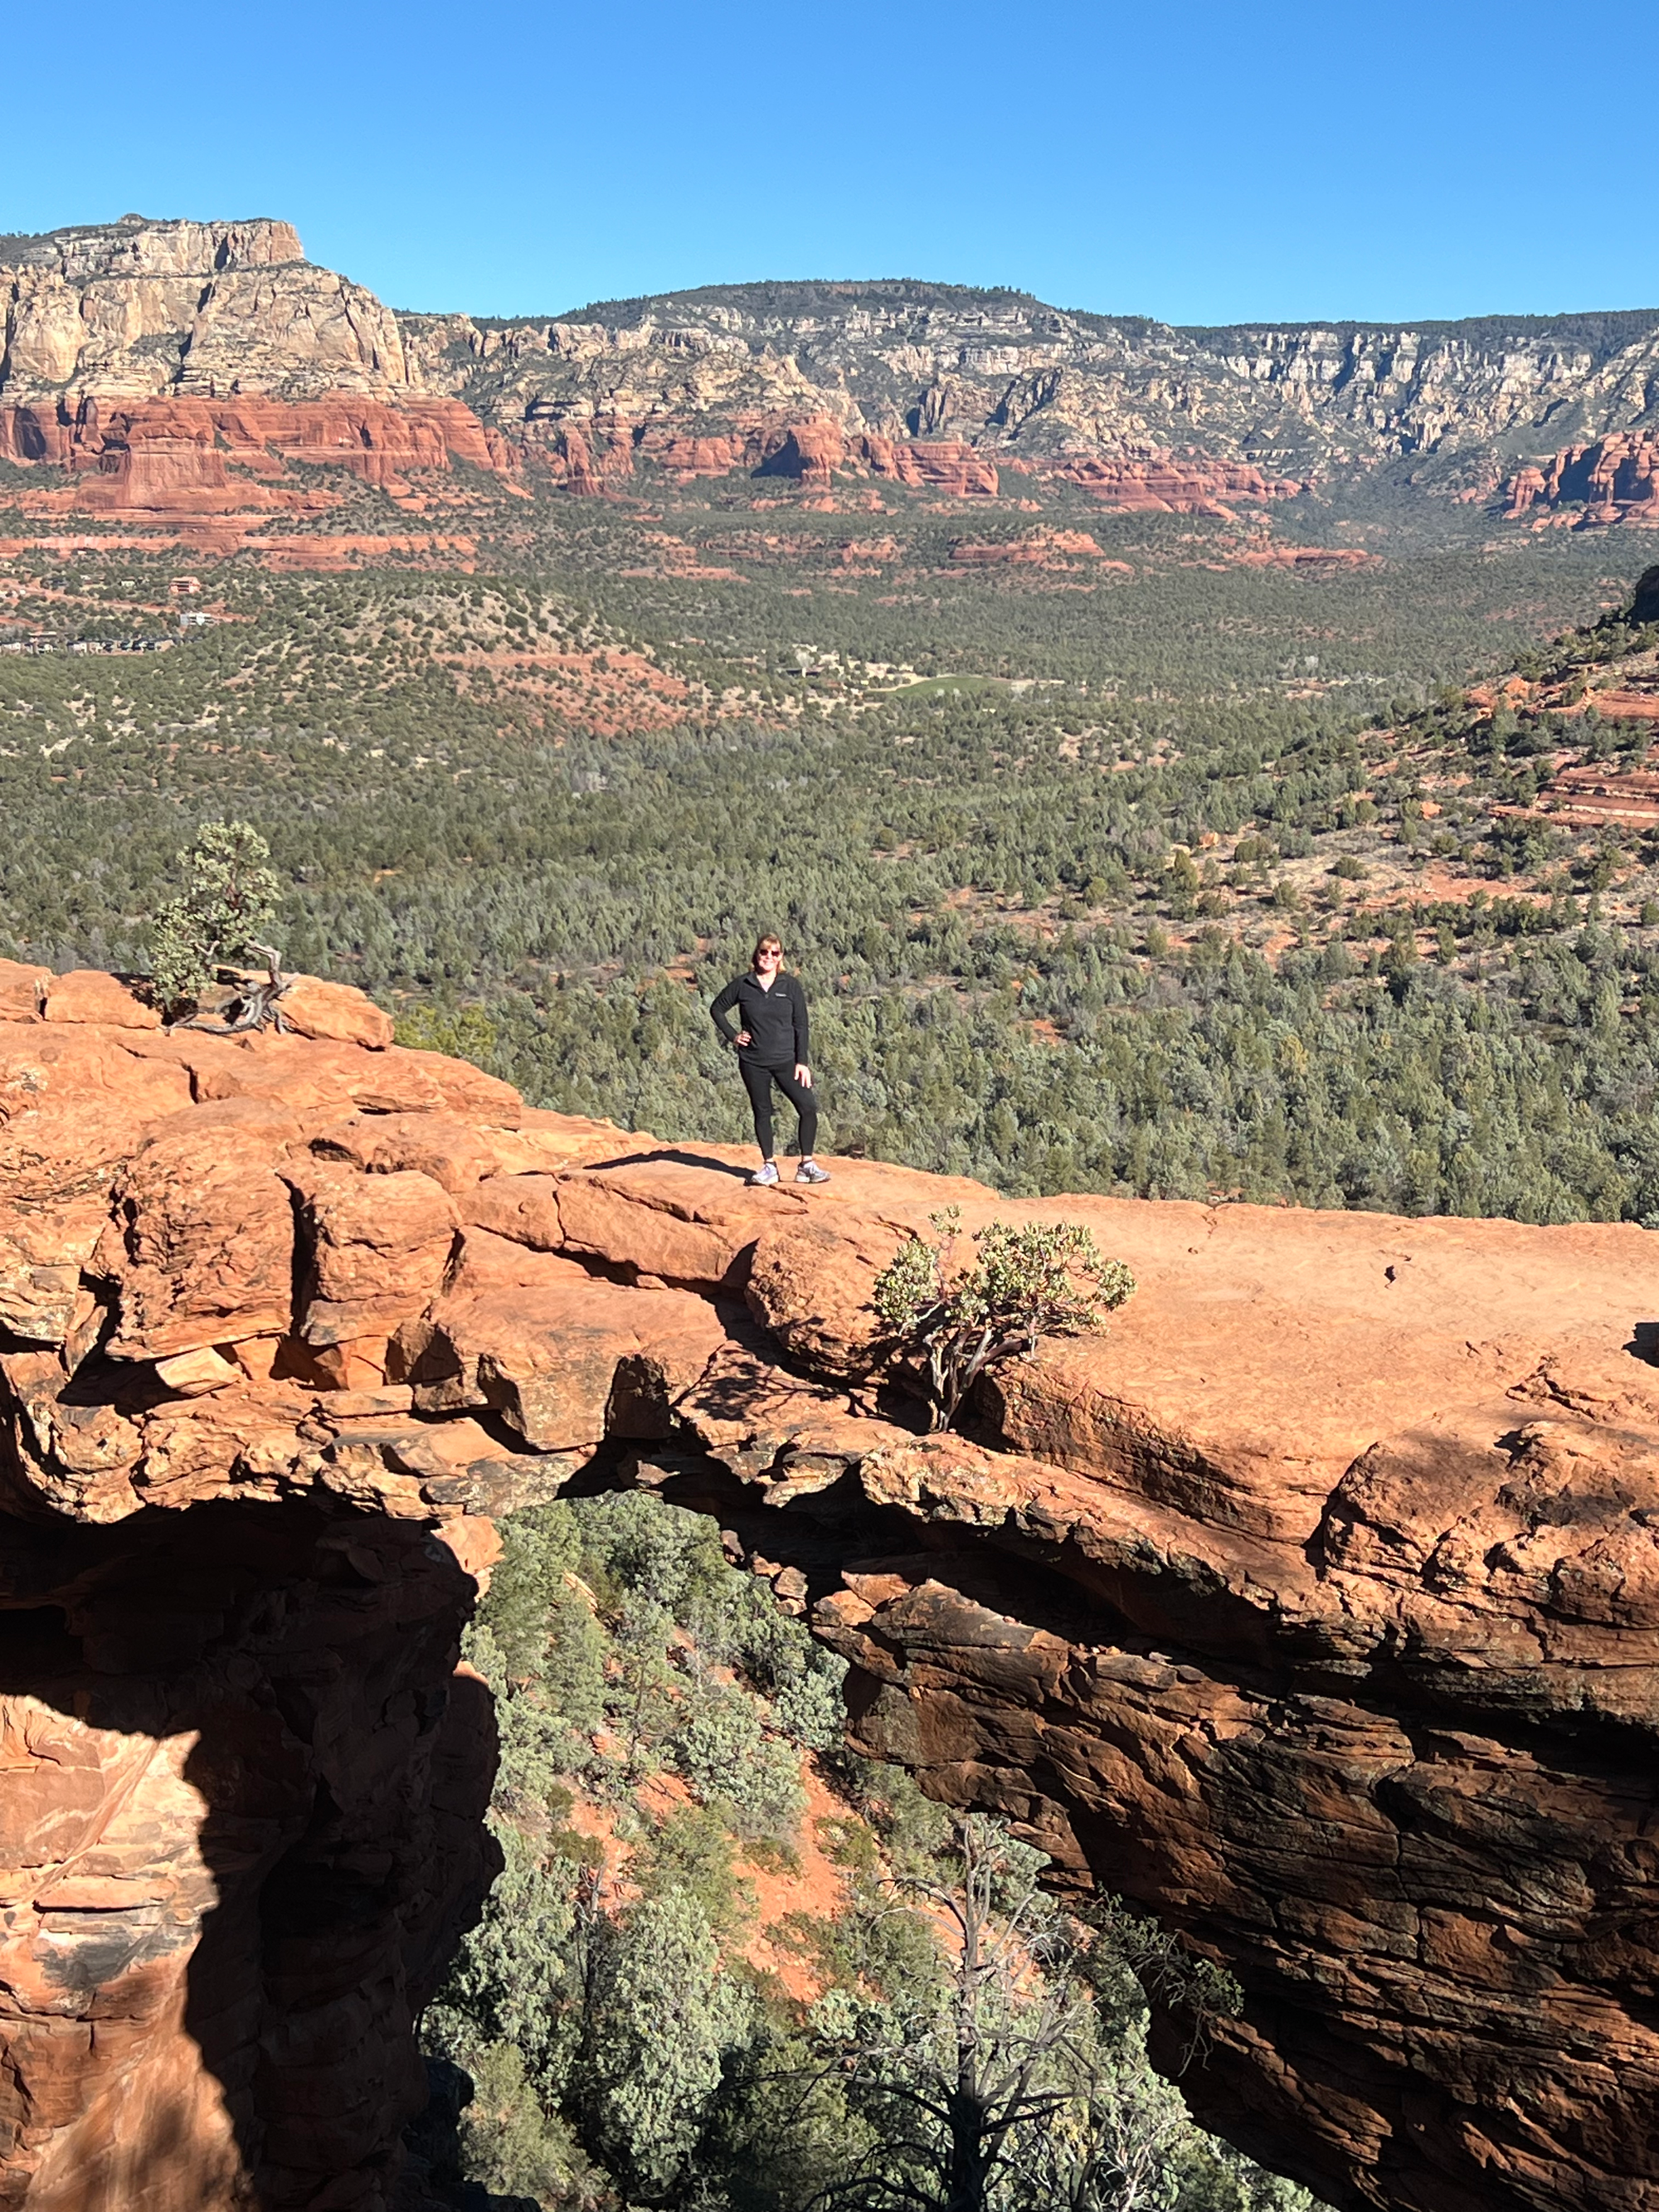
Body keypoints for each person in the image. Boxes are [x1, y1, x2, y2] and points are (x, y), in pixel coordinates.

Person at [709, 935, 830, 1186]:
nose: (769, 957)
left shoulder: (790, 986)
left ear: (781, 957)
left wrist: (802, 1061)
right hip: (753, 1061)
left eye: (775, 953)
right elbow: (717, 1008)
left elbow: (801, 1025)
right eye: (764, 952)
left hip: (787, 1060)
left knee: (807, 1107)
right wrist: (733, 1036)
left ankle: (806, 1165)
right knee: (762, 1112)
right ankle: (769, 1166)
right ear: (757, 954)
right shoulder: (743, 984)